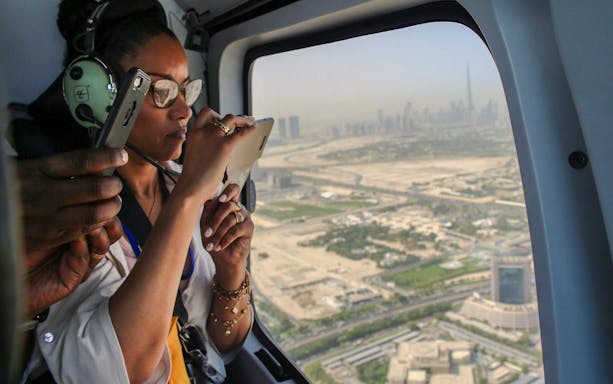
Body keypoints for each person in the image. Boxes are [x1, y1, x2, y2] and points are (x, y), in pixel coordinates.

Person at [23, 1, 256, 383]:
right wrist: (188, 200)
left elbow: (223, 349)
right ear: (105, 98)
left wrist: (232, 272)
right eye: (162, 91)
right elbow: (113, 373)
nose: (184, 111)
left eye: (185, 89)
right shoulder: (70, 213)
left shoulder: (188, 188)